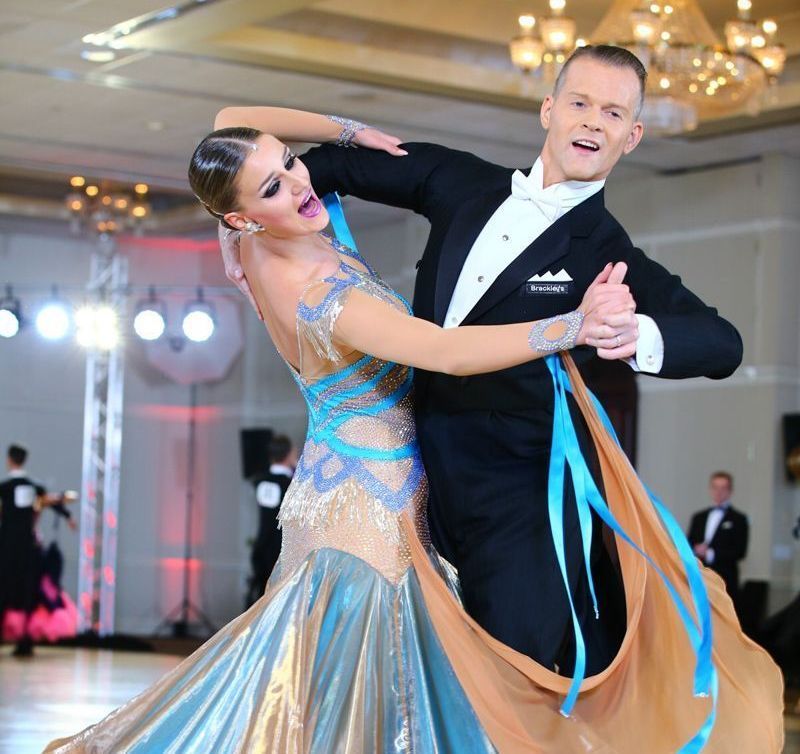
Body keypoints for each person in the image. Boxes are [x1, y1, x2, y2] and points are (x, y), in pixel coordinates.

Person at [45, 106, 782, 753]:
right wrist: (573, 325)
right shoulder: (318, 288)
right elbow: (445, 352)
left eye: (291, 163)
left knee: (336, 690)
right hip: (370, 510)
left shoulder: (258, 245)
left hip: (348, 489)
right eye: (272, 187)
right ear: (236, 217)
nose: (300, 185)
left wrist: (343, 131)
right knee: (357, 694)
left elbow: (229, 115)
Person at [218, 45, 744, 678]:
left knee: (511, 679)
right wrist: (237, 228)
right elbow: (277, 162)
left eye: (612, 113)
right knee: (410, 686)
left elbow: (722, 343)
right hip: (412, 487)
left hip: (519, 494)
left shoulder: (606, 249)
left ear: (631, 137)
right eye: (578, 103)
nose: (591, 122)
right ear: (549, 109)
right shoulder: (457, 178)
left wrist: (628, 331)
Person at [0, 444, 74, 656]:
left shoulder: (4, 488)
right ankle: (25, 640)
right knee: (28, 592)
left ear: (10, 460)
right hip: (28, 548)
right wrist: (68, 517)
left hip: (8, 548)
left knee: (4, 589)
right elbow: (52, 502)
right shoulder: (34, 487)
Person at [246, 434, 296, 606]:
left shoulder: (258, 481)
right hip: (282, 550)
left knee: (261, 601)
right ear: (289, 454)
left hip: (261, 548)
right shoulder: (291, 484)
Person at [687, 471, 749, 602]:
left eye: (723, 488)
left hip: (725, 580)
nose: (718, 492)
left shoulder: (738, 519)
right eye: (715, 487)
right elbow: (689, 543)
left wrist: (710, 553)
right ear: (710, 489)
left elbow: (740, 551)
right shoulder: (699, 517)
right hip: (700, 577)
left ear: (730, 491)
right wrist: (696, 549)